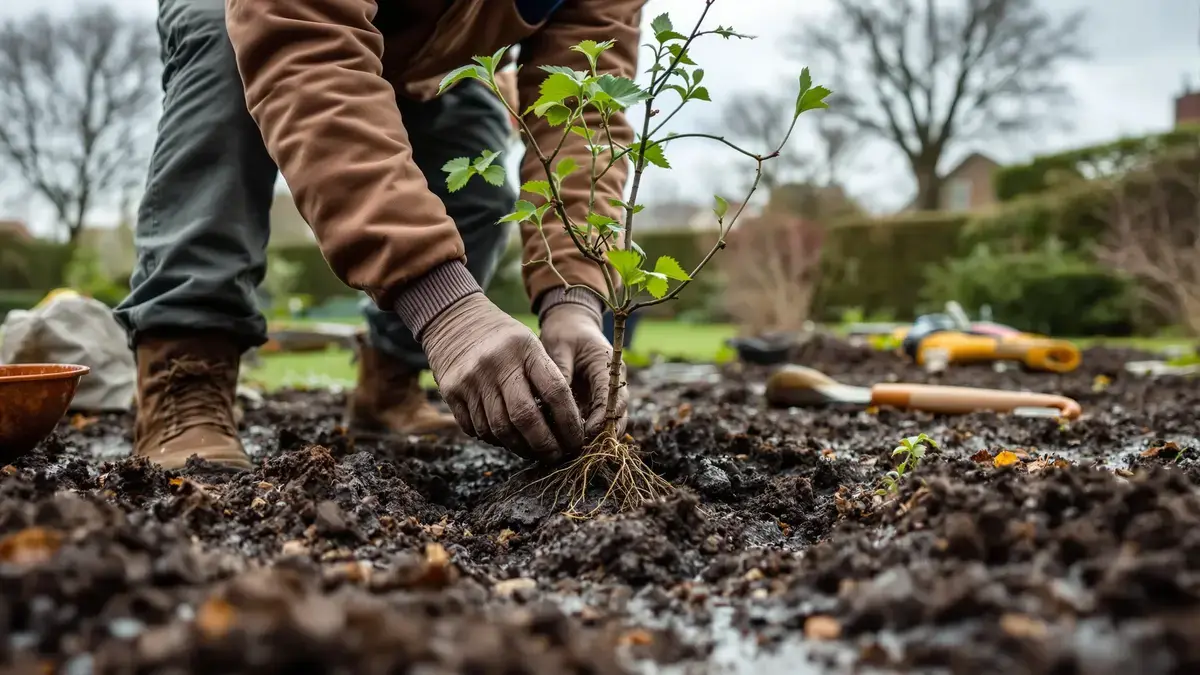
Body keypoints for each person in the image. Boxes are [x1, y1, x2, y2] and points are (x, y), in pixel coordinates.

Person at [113, 0, 639, 472]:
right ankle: (185, 373)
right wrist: (447, 311)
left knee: (478, 185)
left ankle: (388, 382)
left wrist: (575, 298)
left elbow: (583, 109)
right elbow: (303, 43)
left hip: (430, 55)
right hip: (277, 11)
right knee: (225, 55)